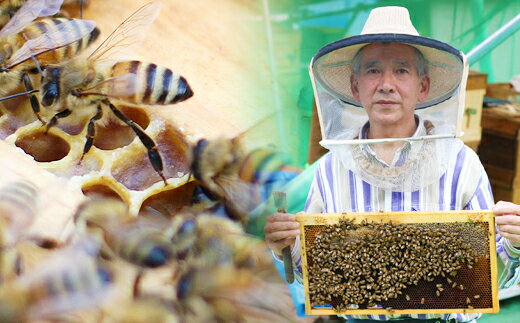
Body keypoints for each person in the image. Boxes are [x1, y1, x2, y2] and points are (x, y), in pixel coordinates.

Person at [264, 6, 520, 323]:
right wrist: (287, 246)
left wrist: (515, 241)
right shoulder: (331, 169)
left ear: (422, 86)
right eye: (373, 70)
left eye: (401, 71)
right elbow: (317, 276)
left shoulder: (461, 163)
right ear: (356, 87)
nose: (386, 84)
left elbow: (493, 277)